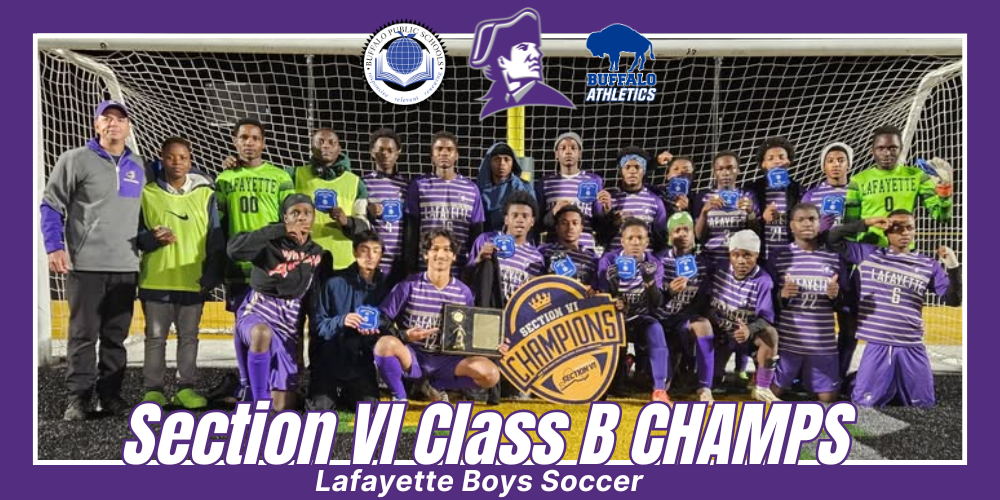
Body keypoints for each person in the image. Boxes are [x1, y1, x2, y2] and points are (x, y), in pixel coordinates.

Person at [41, 100, 146, 420]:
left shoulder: (140, 166)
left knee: (115, 338)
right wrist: (54, 247)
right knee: (83, 336)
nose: (113, 123)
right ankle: (79, 398)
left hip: (126, 266)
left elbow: (175, 174)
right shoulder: (74, 159)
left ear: (128, 127)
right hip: (85, 265)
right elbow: (51, 204)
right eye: (106, 118)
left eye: (120, 119)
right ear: (96, 124)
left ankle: (110, 395)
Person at [828, 210, 961, 407]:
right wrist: (868, 222)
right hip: (879, 344)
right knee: (864, 404)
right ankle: (857, 380)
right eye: (897, 228)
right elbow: (832, 238)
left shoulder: (928, 264)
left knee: (924, 404)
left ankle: (887, 384)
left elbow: (953, 299)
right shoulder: (869, 254)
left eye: (909, 228)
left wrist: (953, 268)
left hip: (912, 345)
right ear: (887, 231)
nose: (904, 233)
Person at [136, 137, 224, 409]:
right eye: (171, 157)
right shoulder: (147, 193)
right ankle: (154, 390)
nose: (177, 162)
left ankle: (186, 388)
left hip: (192, 281)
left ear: (190, 160)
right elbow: (136, 237)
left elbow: (215, 239)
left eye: (182, 157)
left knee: (189, 338)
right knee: (155, 339)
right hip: (156, 280)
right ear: (162, 159)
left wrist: (211, 277)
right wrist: (151, 239)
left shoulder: (205, 194)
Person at [374, 230, 501, 401]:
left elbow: (469, 334)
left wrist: (493, 346)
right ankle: (399, 396)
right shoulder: (408, 285)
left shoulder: (463, 293)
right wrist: (404, 335)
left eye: (447, 249)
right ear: (426, 255)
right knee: (384, 345)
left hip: (447, 361)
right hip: (414, 356)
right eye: (435, 249)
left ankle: (436, 386)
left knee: (491, 374)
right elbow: (381, 318)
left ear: (454, 256)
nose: (440, 254)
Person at [228, 194, 323, 411]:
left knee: (282, 407)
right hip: (259, 311)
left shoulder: (318, 254)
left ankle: (250, 389)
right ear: (284, 217)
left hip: (288, 323)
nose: (301, 218)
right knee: (262, 333)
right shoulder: (269, 242)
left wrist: (300, 351)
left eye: (307, 213)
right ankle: (256, 399)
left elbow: (309, 302)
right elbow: (234, 251)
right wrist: (280, 229)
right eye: (294, 213)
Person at [767, 204, 847, 403]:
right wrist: (782, 295)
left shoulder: (834, 258)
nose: (807, 224)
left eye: (812, 219)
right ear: (791, 226)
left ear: (819, 224)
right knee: (770, 396)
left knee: (828, 399)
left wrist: (836, 296)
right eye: (801, 219)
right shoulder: (779, 256)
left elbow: (844, 303)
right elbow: (766, 300)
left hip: (823, 344)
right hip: (788, 344)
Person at [215, 118, 296, 313]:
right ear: (235, 141)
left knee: (272, 322)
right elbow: (218, 224)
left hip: (272, 266)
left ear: (263, 143)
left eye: (255, 138)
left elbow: (291, 222)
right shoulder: (224, 178)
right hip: (238, 267)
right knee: (242, 323)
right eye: (243, 137)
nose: (249, 142)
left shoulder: (281, 177)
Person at [309, 231, 392, 410]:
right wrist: (342, 320)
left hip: (361, 364)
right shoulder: (334, 283)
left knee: (369, 409)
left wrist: (378, 327)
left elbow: (390, 325)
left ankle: (349, 394)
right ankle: (317, 388)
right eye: (364, 250)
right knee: (319, 409)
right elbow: (318, 325)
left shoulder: (386, 287)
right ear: (354, 252)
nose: (370, 256)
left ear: (381, 255)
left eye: (376, 251)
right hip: (331, 361)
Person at [800, 142, 858, 380]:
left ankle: (839, 375)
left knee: (849, 324)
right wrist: (817, 229)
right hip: (819, 266)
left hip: (850, 267)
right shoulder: (811, 195)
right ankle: (808, 375)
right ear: (823, 166)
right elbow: (800, 231)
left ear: (849, 165)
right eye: (831, 160)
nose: (836, 165)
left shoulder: (858, 193)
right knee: (814, 324)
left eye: (841, 160)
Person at [596, 218, 669, 404]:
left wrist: (650, 282)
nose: (635, 242)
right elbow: (600, 297)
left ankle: (659, 390)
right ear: (622, 241)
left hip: (639, 319)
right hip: (613, 321)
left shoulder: (654, 263)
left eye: (640, 238)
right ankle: (622, 367)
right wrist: (613, 297)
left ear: (647, 241)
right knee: (611, 389)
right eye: (630, 238)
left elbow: (658, 302)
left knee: (655, 328)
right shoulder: (608, 260)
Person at [844, 125, 953, 246]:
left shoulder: (917, 176)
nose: (887, 153)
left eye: (893, 148)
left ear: (901, 149)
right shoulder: (858, 181)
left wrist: (944, 192)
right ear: (872, 151)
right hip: (869, 251)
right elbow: (850, 226)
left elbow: (942, 218)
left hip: (903, 251)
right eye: (881, 148)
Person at [707, 230, 781, 402]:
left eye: (747, 255)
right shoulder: (718, 270)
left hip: (748, 336)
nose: (741, 260)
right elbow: (705, 302)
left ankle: (762, 387)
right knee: (712, 382)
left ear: (756, 255)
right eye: (736, 255)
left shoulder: (763, 281)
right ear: (730, 255)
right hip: (721, 334)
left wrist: (749, 329)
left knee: (770, 334)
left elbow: (767, 318)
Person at [468, 7, 574, 119]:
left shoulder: (554, 103)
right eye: (523, 48)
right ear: (502, 61)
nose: (537, 54)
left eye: (535, 47)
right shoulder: (493, 101)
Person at [654, 212, 715, 402]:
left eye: (686, 229)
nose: (682, 234)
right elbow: (652, 298)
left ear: (693, 233)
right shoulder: (658, 261)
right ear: (669, 236)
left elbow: (704, 298)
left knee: (704, 325)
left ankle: (705, 387)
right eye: (676, 230)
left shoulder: (703, 263)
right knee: (664, 384)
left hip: (685, 320)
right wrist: (669, 291)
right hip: (661, 322)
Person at [404, 132, 485, 275]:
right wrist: (410, 267)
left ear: (457, 155)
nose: (444, 153)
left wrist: (472, 268)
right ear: (432, 156)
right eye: (439, 149)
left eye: (449, 149)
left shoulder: (471, 189)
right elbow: (411, 231)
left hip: (460, 271)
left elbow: (476, 233)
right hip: (426, 269)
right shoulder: (419, 186)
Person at [290, 128, 370, 272]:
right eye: (320, 142)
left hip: (343, 264)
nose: (326, 146)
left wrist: (346, 222)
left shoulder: (356, 183)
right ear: (312, 148)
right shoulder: (293, 175)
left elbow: (364, 227)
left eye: (331, 142)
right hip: (302, 262)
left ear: (339, 149)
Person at [465, 191, 544, 303]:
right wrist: (478, 260)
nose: (520, 220)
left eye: (525, 216)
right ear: (506, 219)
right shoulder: (486, 240)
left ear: (532, 221)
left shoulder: (536, 258)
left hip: (515, 312)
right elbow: (466, 279)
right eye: (515, 215)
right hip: (485, 311)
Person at [535, 132, 605, 251]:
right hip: (554, 250)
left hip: (585, 250)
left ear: (580, 153)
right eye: (563, 148)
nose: (568, 152)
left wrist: (607, 211)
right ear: (556, 154)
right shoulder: (545, 183)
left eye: (573, 148)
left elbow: (599, 223)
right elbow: (538, 223)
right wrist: (554, 211)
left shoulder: (594, 181)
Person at [693, 151, 761, 269]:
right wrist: (704, 212)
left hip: (738, 262)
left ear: (738, 170)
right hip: (710, 260)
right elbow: (698, 236)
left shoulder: (748, 195)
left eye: (730, 168)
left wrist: (750, 213)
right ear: (714, 172)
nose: (725, 173)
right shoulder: (703, 197)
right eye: (720, 169)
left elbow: (756, 233)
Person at [594, 147, 668, 253]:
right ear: (621, 171)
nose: (632, 171)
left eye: (637, 167)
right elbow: (600, 239)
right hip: (616, 260)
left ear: (644, 171)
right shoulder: (609, 199)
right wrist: (613, 223)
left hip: (644, 261)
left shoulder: (655, 201)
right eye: (627, 167)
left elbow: (662, 239)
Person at [363, 129, 409, 281]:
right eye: (380, 150)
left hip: (399, 262)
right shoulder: (363, 183)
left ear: (397, 153)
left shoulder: (407, 186)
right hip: (372, 260)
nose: (385, 154)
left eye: (390, 150)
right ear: (372, 152)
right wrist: (367, 210)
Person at [747, 137, 802, 259]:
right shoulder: (751, 191)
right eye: (770, 158)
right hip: (760, 258)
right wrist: (763, 219)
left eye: (781, 157)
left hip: (790, 257)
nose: (777, 161)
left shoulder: (798, 191)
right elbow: (744, 227)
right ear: (763, 164)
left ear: (788, 161)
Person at [477, 142, 536, 234]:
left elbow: (533, 219)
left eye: (506, 159)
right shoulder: (478, 189)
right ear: (489, 162)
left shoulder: (524, 188)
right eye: (497, 159)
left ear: (513, 163)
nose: (502, 163)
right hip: (486, 239)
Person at [538, 205, 599, 288]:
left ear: (581, 228)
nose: (570, 227)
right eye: (564, 223)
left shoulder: (592, 258)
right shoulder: (544, 251)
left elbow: (596, 287)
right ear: (557, 227)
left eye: (575, 223)